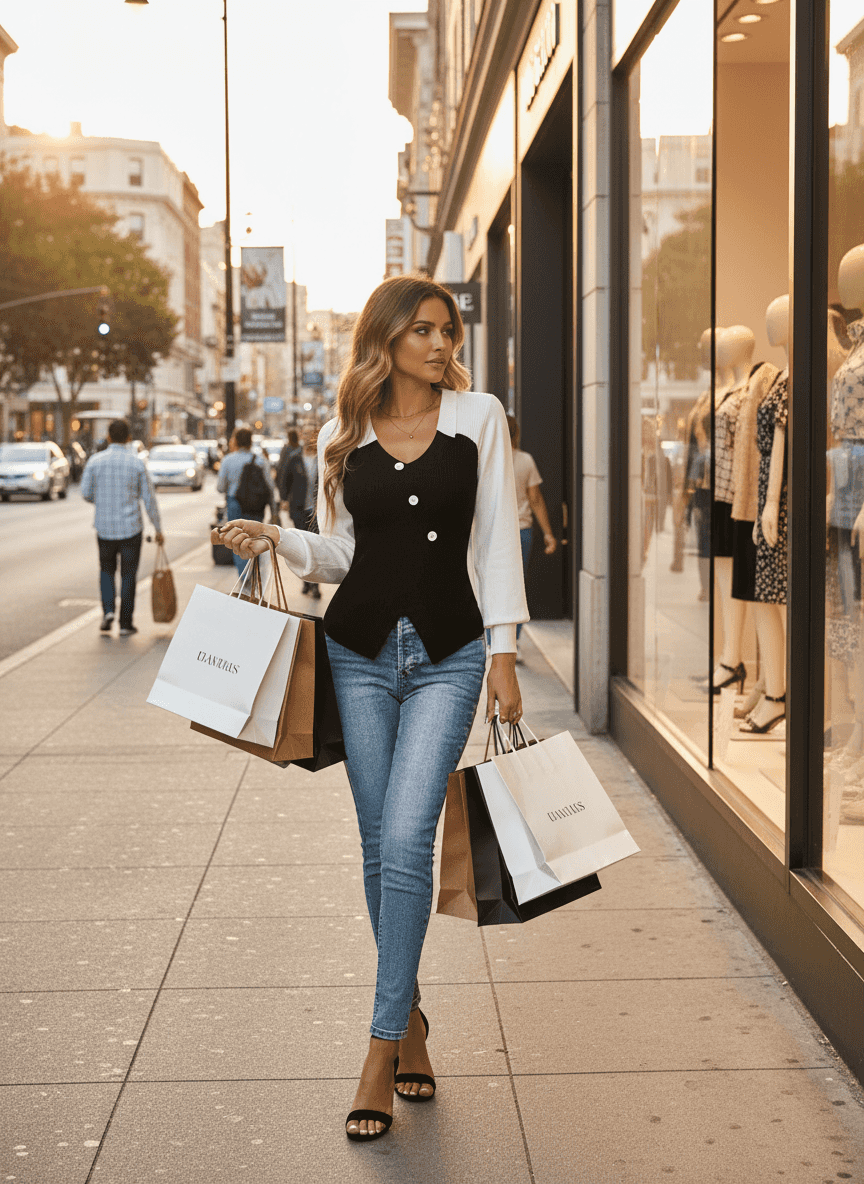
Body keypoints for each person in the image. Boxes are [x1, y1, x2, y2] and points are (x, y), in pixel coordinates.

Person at [214, 274, 528, 1143]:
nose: (439, 344)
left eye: (446, 329)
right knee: (376, 848)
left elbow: (497, 536)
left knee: (404, 840)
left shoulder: (480, 418)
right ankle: (416, 1018)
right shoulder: (338, 435)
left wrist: (504, 652)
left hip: (449, 656)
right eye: (421, 330)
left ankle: (380, 1044)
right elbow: (345, 553)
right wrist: (280, 538)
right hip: (356, 655)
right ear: (384, 339)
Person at [80, 418, 163, 637]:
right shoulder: (136, 463)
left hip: (104, 528)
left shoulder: (95, 461)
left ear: (108, 437)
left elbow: (86, 492)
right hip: (131, 529)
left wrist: (103, 501)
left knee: (106, 570)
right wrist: (158, 528)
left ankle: (108, 611)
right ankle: (126, 623)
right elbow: (149, 500)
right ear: (128, 438)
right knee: (128, 575)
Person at [505, 414, 557, 659]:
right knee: (517, 587)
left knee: (491, 584)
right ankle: (513, 642)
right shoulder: (525, 460)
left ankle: (495, 642)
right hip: (521, 532)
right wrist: (548, 533)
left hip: (494, 531)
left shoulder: (483, 458)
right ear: (516, 433)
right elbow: (535, 500)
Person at [216, 426, 278, 576]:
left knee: (237, 541)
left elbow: (220, 487)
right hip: (256, 506)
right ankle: (256, 573)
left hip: (235, 504)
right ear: (251, 441)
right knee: (256, 539)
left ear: (236, 441)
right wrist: (274, 512)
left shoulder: (228, 460)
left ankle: (244, 578)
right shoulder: (261, 460)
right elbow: (270, 487)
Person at [299, 427, 321, 598]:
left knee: (314, 548)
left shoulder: (322, 457)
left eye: (311, 434)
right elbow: (284, 479)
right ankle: (306, 581)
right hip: (299, 509)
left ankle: (314, 584)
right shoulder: (294, 458)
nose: (308, 437)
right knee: (302, 548)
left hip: (317, 511)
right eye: (305, 434)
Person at [275, 429, 305, 519]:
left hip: (288, 478)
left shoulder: (286, 449)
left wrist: (282, 494)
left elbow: (281, 467)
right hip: (299, 481)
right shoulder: (300, 449)